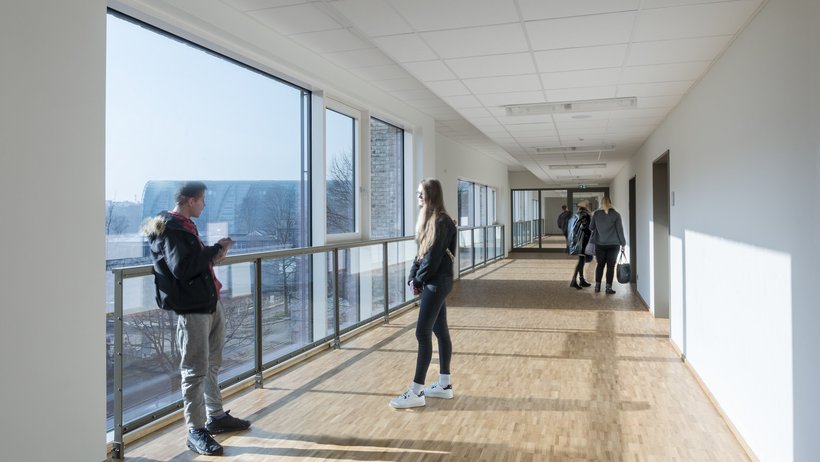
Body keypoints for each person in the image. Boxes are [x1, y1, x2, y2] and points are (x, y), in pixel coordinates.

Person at [142, 181, 250, 456]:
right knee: (194, 370)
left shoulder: (184, 226)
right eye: (202, 200)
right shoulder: (172, 228)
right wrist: (214, 250)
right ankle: (196, 431)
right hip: (193, 310)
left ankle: (215, 417)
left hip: (209, 303)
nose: (204, 205)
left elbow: (192, 264)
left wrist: (213, 256)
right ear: (190, 200)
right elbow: (182, 268)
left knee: (212, 364)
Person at [389, 178, 457, 409]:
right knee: (440, 331)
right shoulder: (429, 221)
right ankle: (444, 385)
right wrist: (412, 277)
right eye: (417, 193)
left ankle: (416, 391)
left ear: (432, 195)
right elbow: (420, 254)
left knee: (422, 333)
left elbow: (433, 257)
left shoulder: (442, 221)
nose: (418, 197)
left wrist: (418, 279)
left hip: (437, 283)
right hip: (435, 282)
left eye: (421, 193)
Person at [589, 196, 626, 294]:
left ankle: (597, 286)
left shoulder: (596, 214)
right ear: (610, 203)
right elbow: (620, 231)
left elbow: (591, 227)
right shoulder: (616, 215)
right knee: (610, 266)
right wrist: (623, 243)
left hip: (600, 244)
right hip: (614, 245)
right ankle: (608, 288)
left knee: (600, 265)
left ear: (601, 203)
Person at [567, 200, 592, 289]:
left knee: (581, 260)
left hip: (577, 241)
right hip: (583, 241)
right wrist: (591, 233)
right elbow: (586, 228)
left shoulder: (576, 216)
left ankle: (581, 280)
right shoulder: (586, 216)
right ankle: (574, 281)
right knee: (581, 261)